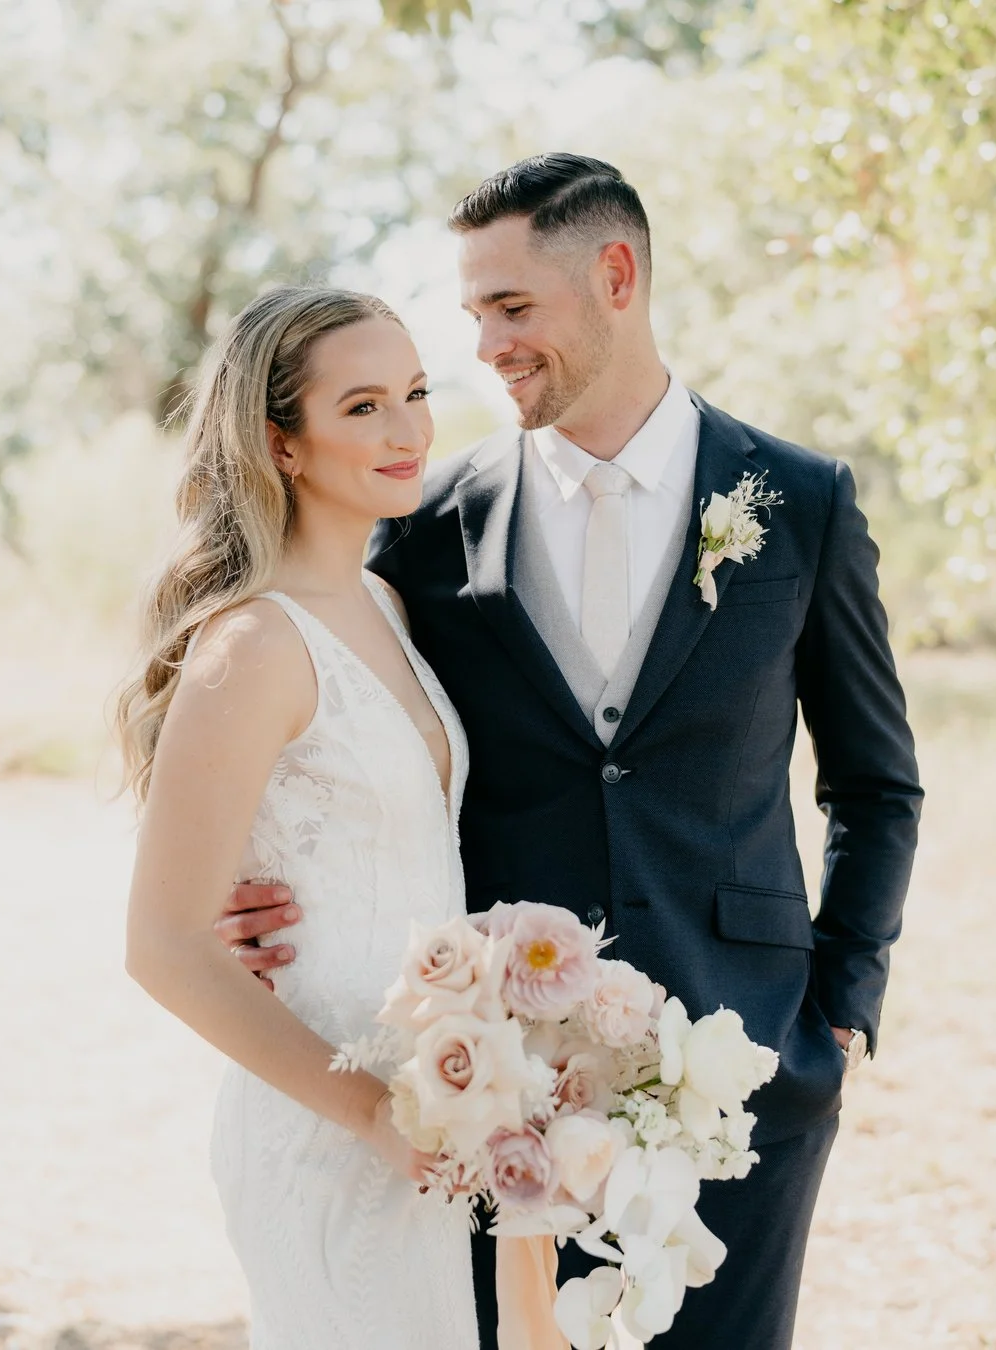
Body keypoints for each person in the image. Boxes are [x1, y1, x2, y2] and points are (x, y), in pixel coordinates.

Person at [217, 154, 923, 1350]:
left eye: (511, 307)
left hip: (744, 1063)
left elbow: (875, 781)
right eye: (474, 314)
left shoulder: (799, 502)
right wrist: (245, 889)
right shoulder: (424, 526)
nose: (485, 345)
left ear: (615, 275)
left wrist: (839, 1012)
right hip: (495, 1085)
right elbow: (327, 722)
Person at [119, 286, 479, 1350]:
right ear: (281, 442)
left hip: (435, 1115)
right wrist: (372, 1112)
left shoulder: (387, 606)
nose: (410, 429)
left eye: (415, 393)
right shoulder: (252, 647)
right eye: (363, 405)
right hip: (329, 1124)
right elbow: (164, 944)